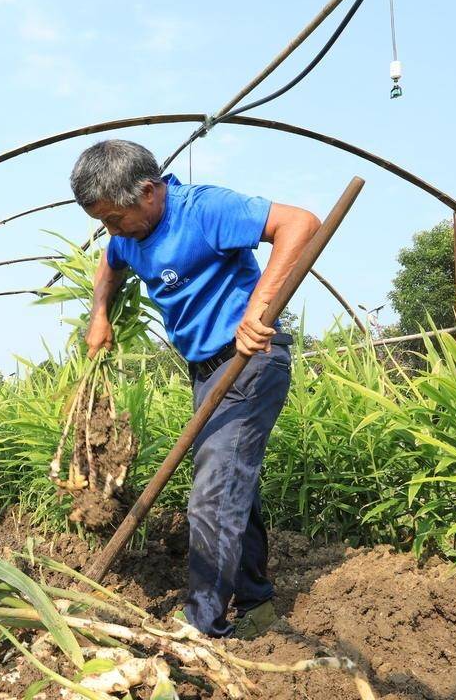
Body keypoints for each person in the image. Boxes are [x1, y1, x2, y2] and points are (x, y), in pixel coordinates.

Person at [70, 140, 320, 639]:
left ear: (149, 191)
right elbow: (110, 263)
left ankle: (200, 627)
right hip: (205, 372)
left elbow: (301, 223)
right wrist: (100, 314)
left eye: (115, 217)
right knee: (233, 488)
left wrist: (258, 308)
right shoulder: (126, 233)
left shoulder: (203, 209)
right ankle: (255, 602)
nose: (112, 230)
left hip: (249, 362)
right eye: (104, 222)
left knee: (213, 494)